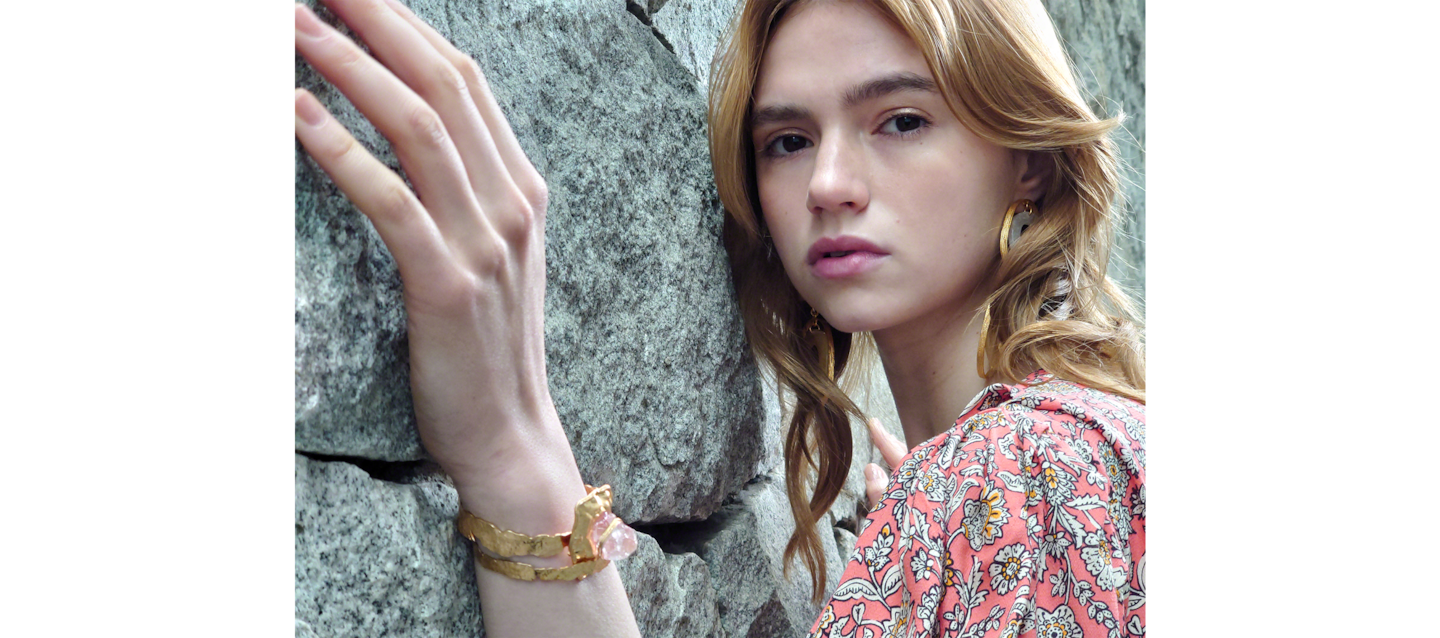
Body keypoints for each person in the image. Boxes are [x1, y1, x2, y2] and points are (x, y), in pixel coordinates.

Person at [291, 0, 1146, 635]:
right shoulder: (1014, 468)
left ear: (1029, 160)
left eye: (903, 120)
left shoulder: (1025, 465)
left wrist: (512, 442)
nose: (826, 184)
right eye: (787, 140)